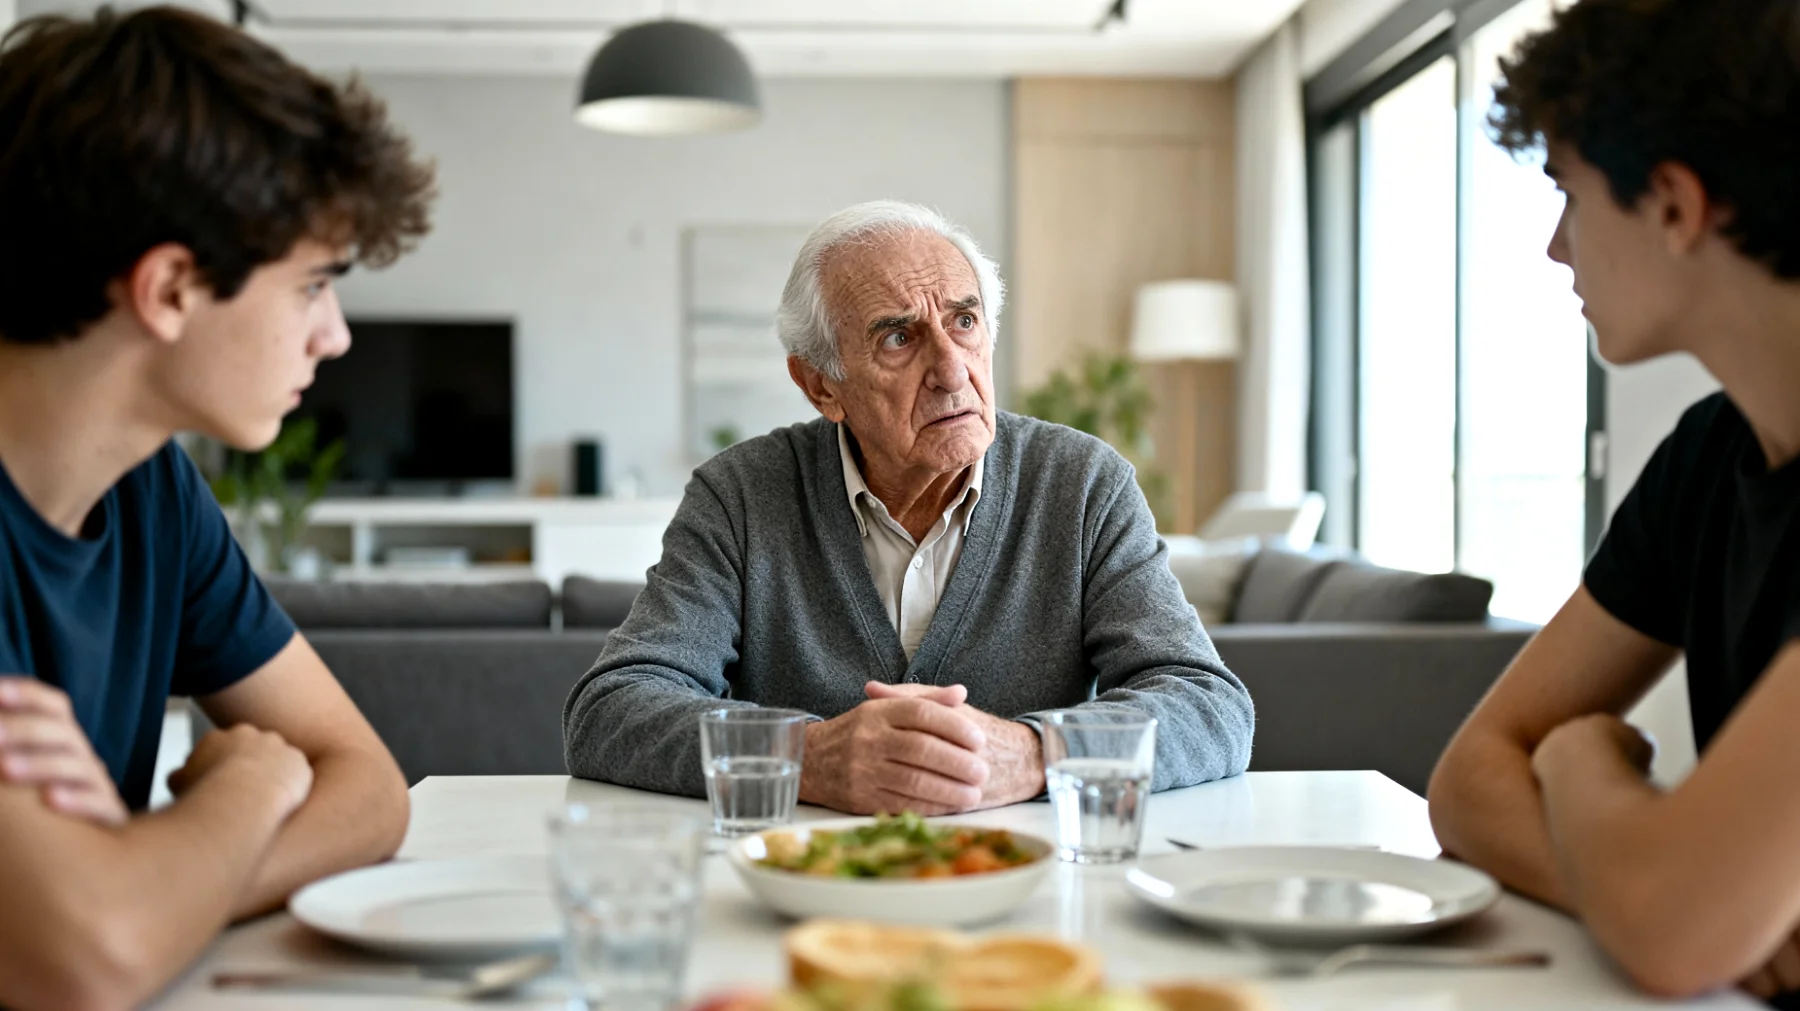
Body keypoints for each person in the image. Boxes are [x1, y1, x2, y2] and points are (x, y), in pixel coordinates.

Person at [0, 6, 435, 1008]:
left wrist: (152, 876)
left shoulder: (153, 489)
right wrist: (249, 783)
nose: (335, 338)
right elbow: (91, 956)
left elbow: (368, 786)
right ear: (171, 288)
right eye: (313, 285)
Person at [564, 200, 1254, 815]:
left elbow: (1209, 703)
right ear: (820, 386)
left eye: (964, 320)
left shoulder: (1082, 485)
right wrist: (808, 755)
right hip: (796, 886)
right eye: (899, 337)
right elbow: (611, 708)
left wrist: (1038, 753)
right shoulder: (740, 495)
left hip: (1028, 886)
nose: (952, 368)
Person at [1425, 0, 1800, 1003]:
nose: (1556, 247)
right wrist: (1658, 888)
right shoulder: (1710, 457)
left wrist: (1587, 759)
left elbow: (1675, 934)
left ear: (1674, 205)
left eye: (1571, 196)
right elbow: (1469, 782)